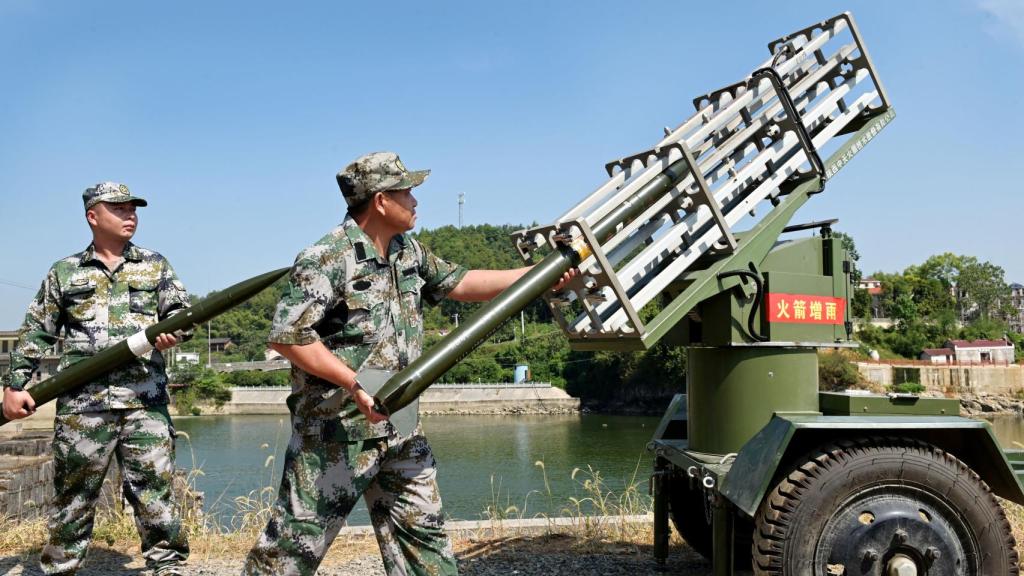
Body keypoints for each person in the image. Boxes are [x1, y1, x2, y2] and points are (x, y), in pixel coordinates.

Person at [244, 152, 569, 576]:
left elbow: (463, 283)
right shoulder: (326, 257)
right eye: (407, 191)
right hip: (337, 431)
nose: (415, 200)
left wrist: (540, 274)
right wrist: (354, 384)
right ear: (381, 200)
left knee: (424, 543)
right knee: (291, 550)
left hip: (401, 425)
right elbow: (289, 337)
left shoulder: (407, 250)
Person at [2, 182, 191, 576]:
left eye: (133, 209)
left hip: (145, 404)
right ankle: (62, 569)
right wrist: (14, 385)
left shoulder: (155, 265)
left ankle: (167, 568)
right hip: (83, 408)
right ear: (93, 216)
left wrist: (178, 332)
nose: (131, 215)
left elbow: (182, 314)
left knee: (155, 496)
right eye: (120, 209)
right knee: (74, 498)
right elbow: (37, 331)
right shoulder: (65, 272)